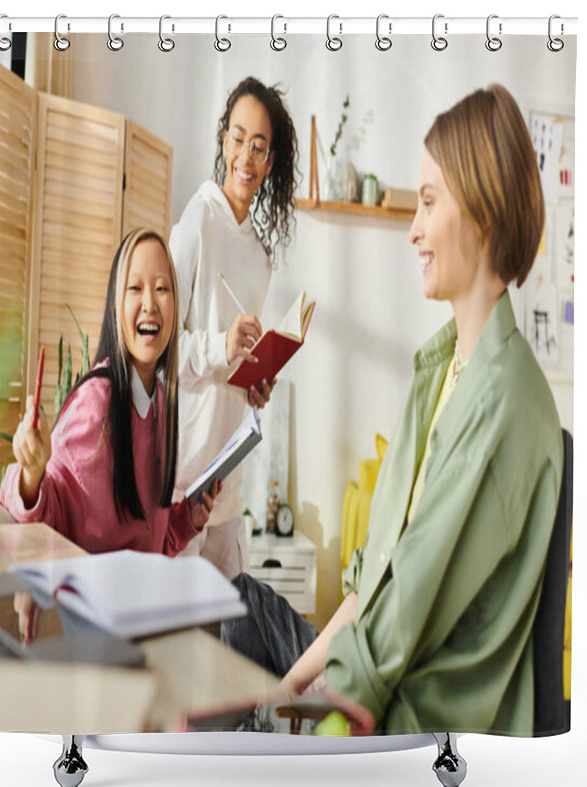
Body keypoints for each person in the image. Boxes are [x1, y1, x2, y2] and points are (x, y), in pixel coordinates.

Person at [223, 84, 564, 736]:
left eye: (429, 202)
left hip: (409, 713)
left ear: (485, 212)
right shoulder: (439, 374)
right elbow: (373, 586)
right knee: (238, 604)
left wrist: (311, 722)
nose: (413, 228)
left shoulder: (505, 402)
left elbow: (398, 628)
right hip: (374, 665)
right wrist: (288, 689)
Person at [0, 228, 220, 555]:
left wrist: (188, 517)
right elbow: (37, 522)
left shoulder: (158, 400)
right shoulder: (96, 402)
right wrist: (31, 473)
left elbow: (150, 544)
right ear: (116, 305)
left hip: (134, 599)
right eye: (135, 288)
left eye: (162, 288)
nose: (150, 304)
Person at [169, 76, 298, 580]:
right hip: (182, 478)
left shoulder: (261, 259)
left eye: (259, 147)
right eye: (239, 138)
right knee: (173, 641)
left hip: (228, 483)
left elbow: (233, 373)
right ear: (224, 140)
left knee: (223, 641)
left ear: (269, 164)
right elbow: (156, 354)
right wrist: (221, 346)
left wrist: (256, 382)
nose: (246, 156)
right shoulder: (197, 221)